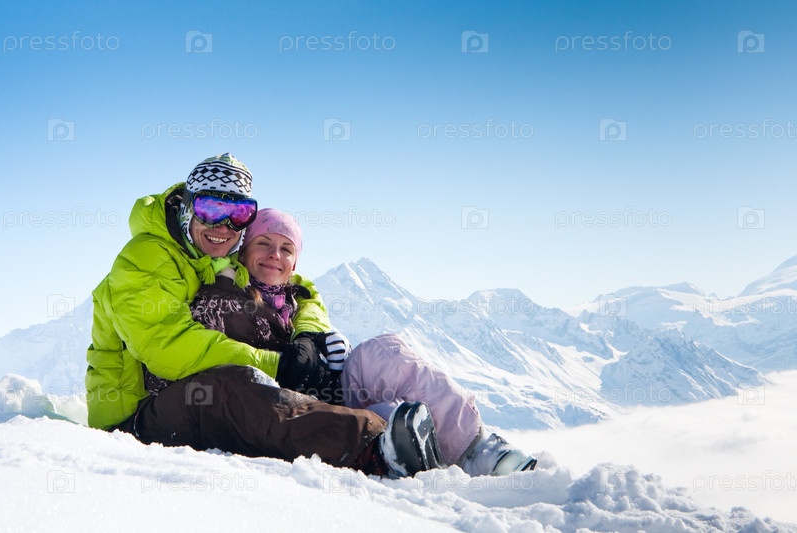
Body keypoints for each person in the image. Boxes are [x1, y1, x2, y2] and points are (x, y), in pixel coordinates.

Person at [85, 153, 444, 477]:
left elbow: (296, 287)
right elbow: (166, 345)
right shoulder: (145, 256)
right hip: (133, 419)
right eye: (211, 208)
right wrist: (277, 365)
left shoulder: (213, 253)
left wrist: (308, 334)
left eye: (239, 214)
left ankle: (445, 440)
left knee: (244, 383)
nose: (224, 226)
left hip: (177, 397)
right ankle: (373, 447)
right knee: (224, 386)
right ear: (188, 207)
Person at [190, 206, 537, 476]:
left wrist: (324, 344)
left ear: (295, 263)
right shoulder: (224, 297)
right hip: (291, 409)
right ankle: (420, 460)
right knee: (393, 418)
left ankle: (478, 448)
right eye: (263, 244)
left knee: (379, 353)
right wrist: (285, 363)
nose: (274, 255)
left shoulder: (298, 299)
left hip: (327, 391)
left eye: (286, 249)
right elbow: (228, 376)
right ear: (244, 251)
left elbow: (311, 322)